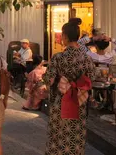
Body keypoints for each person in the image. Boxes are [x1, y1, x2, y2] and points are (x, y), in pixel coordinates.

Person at [45, 21, 95, 155]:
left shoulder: (57, 58)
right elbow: (92, 79)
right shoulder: (87, 58)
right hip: (79, 101)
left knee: (58, 135)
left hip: (60, 101)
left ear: (65, 37)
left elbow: (48, 79)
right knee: (76, 134)